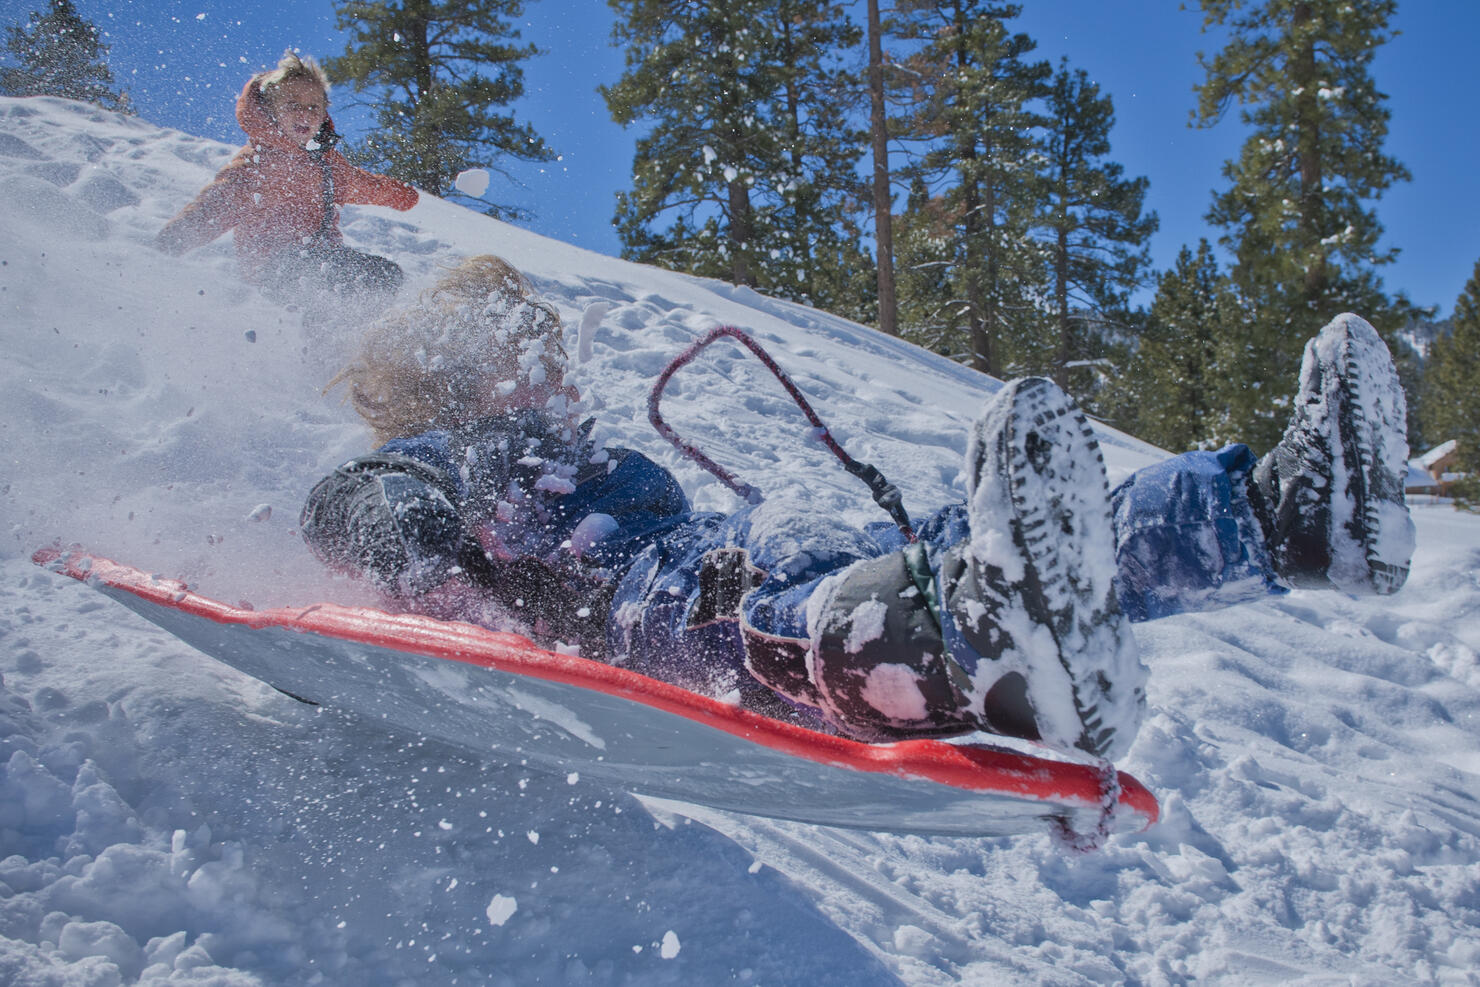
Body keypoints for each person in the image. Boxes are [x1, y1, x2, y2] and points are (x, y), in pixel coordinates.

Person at [300, 256, 1415, 763]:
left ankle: (1281, 517)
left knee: (949, 542)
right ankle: (987, 648)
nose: (551, 382)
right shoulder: (465, 457)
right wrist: (405, 521)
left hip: (736, 560)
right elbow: (359, 497)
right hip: (661, 618)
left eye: (551, 357)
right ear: (454, 390)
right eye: (519, 364)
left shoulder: (598, 461)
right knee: (771, 609)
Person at [155, 52, 418, 303]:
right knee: (339, 275)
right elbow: (213, 208)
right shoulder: (254, 166)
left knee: (385, 275)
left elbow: (367, 186)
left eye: (313, 107)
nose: (305, 113)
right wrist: (166, 245)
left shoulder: (329, 165)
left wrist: (402, 196)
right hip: (273, 267)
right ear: (270, 112)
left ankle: (356, 342)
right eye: (293, 105)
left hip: (325, 259)